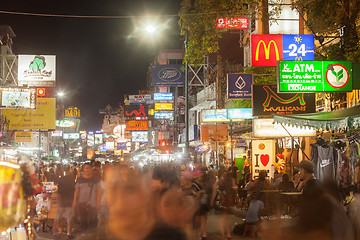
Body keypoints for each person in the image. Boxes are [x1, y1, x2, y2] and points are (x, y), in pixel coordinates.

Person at [72, 163, 101, 236]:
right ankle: (84, 233)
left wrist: (98, 203)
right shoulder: (80, 179)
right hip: (81, 203)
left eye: (88, 168)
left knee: (93, 221)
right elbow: (76, 191)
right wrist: (74, 201)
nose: (87, 170)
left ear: (91, 169)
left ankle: (92, 235)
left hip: (92, 204)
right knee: (83, 220)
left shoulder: (96, 179)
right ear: (83, 169)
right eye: (85, 168)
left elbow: (98, 191)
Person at [54, 167, 76, 239]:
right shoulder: (72, 179)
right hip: (69, 200)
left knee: (58, 217)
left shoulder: (61, 179)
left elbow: (58, 191)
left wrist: (58, 200)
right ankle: (69, 233)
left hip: (62, 201)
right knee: (69, 218)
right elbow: (75, 190)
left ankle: (56, 231)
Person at [218, 171, 237, 240]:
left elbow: (220, 189)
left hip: (225, 201)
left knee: (223, 219)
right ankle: (228, 234)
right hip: (230, 201)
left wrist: (223, 195)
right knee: (228, 218)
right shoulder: (232, 181)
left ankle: (223, 235)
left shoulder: (223, 181)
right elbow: (235, 189)